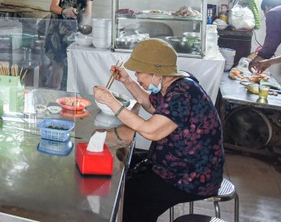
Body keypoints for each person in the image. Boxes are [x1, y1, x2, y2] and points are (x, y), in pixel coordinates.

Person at [94, 39, 224, 222]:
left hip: (192, 176)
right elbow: (151, 105)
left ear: (157, 72)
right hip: (175, 162)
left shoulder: (183, 94)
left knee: (133, 196)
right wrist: (128, 81)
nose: (137, 76)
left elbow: (151, 131)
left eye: (139, 72)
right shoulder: (175, 83)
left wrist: (110, 102)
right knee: (123, 168)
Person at [246, 0, 281, 221]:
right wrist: (268, 63)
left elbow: (270, 43)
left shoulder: (275, 13)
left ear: (266, 8)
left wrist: (257, 59)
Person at [43, 0, 93, 89]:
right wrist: (64, 11)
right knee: (57, 65)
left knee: (71, 65)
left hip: (74, 34)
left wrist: (84, 26)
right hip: (57, 33)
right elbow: (53, 7)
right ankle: (54, 93)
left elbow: (88, 14)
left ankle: (68, 95)